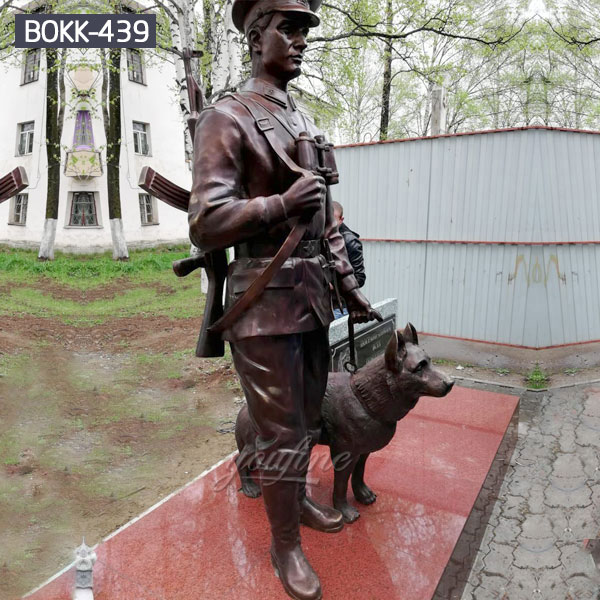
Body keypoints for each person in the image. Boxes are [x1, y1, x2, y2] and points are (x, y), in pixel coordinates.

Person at [188, 2, 380, 599]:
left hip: (312, 299)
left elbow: (323, 223)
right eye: (288, 30)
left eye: (304, 32)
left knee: (303, 420)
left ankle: (295, 502)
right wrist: (277, 206)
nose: (300, 42)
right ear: (255, 36)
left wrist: (349, 286)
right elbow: (206, 219)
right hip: (263, 301)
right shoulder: (228, 117)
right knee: (276, 431)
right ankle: (284, 546)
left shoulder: (299, 116)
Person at [332, 201, 365, 318]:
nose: (329, 223)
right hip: (323, 307)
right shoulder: (322, 237)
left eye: (333, 219)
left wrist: (333, 286)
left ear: (341, 219)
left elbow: (360, 278)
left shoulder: (350, 242)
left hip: (339, 308)